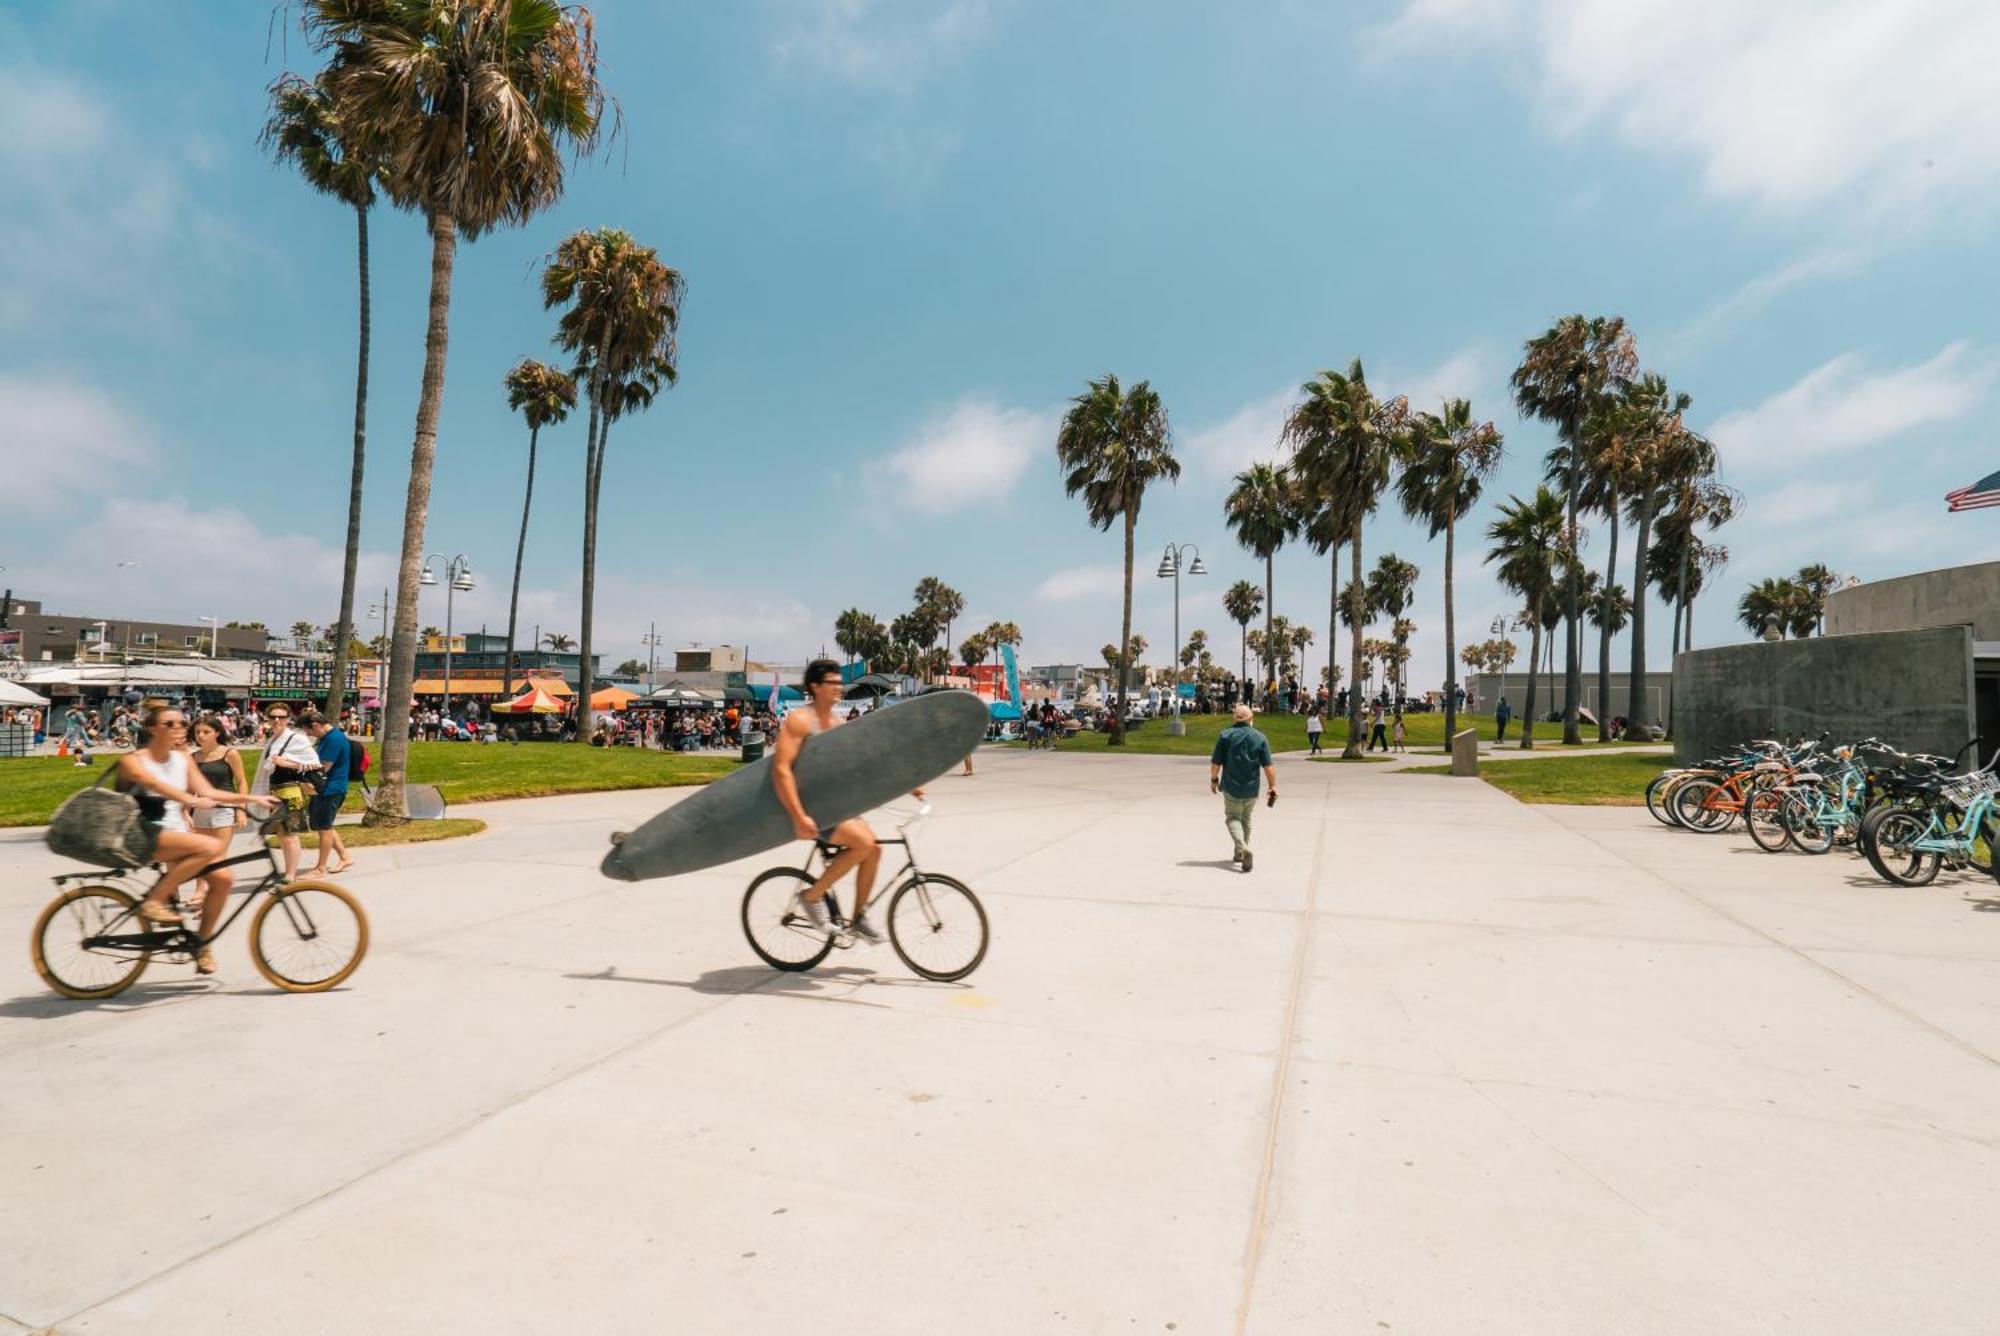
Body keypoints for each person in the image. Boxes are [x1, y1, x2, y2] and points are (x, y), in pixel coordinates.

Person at [770, 659, 923, 948]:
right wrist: (798, 816)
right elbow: (781, 770)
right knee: (864, 844)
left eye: (841, 682)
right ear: (815, 687)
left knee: (874, 850)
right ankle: (812, 896)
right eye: (833, 682)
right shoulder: (800, 720)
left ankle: (858, 918)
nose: (840, 687)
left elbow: (864, 765)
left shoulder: (839, 724)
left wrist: (907, 784)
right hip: (814, 809)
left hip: (838, 806)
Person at [116, 706, 265, 972]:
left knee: (224, 880)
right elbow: (153, 784)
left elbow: (209, 790)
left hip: (175, 833)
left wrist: (251, 799)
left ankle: (202, 943)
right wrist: (190, 800)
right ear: (152, 728)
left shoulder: (183, 760)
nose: (179, 728)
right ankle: (155, 900)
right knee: (210, 846)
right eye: (169, 723)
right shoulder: (133, 760)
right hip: (141, 833)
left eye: (181, 723)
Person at [251, 704, 321, 883]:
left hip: (290, 791)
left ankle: (290, 875)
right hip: (274, 791)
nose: (277, 720)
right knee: (282, 834)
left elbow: (314, 763)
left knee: (290, 835)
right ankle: (288, 871)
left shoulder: (297, 739)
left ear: (288, 719)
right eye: (273, 717)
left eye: (281, 717)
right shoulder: (273, 739)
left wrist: (286, 763)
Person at [1209, 704, 1276, 872]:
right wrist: (1272, 785)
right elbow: (1268, 766)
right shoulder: (1260, 737)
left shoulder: (1225, 736)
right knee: (1246, 820)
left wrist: (1213, 780)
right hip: (1252, 789)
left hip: (1232, 787)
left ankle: (1242, 848)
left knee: (1232, 818)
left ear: (1234, 718)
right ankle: (1239, 854)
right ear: (1251, 718)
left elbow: (1215, 763)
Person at [301, 709, 355, 876]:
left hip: (331, 788)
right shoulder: (326, 738)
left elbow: (323, 767)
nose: (309, 734)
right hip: (324, 788)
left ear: (316, 725)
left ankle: (320, 867)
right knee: (324, 825)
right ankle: (345, 857)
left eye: (308, 731)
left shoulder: (334, 739)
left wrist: (298, 768)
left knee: (324, 828)